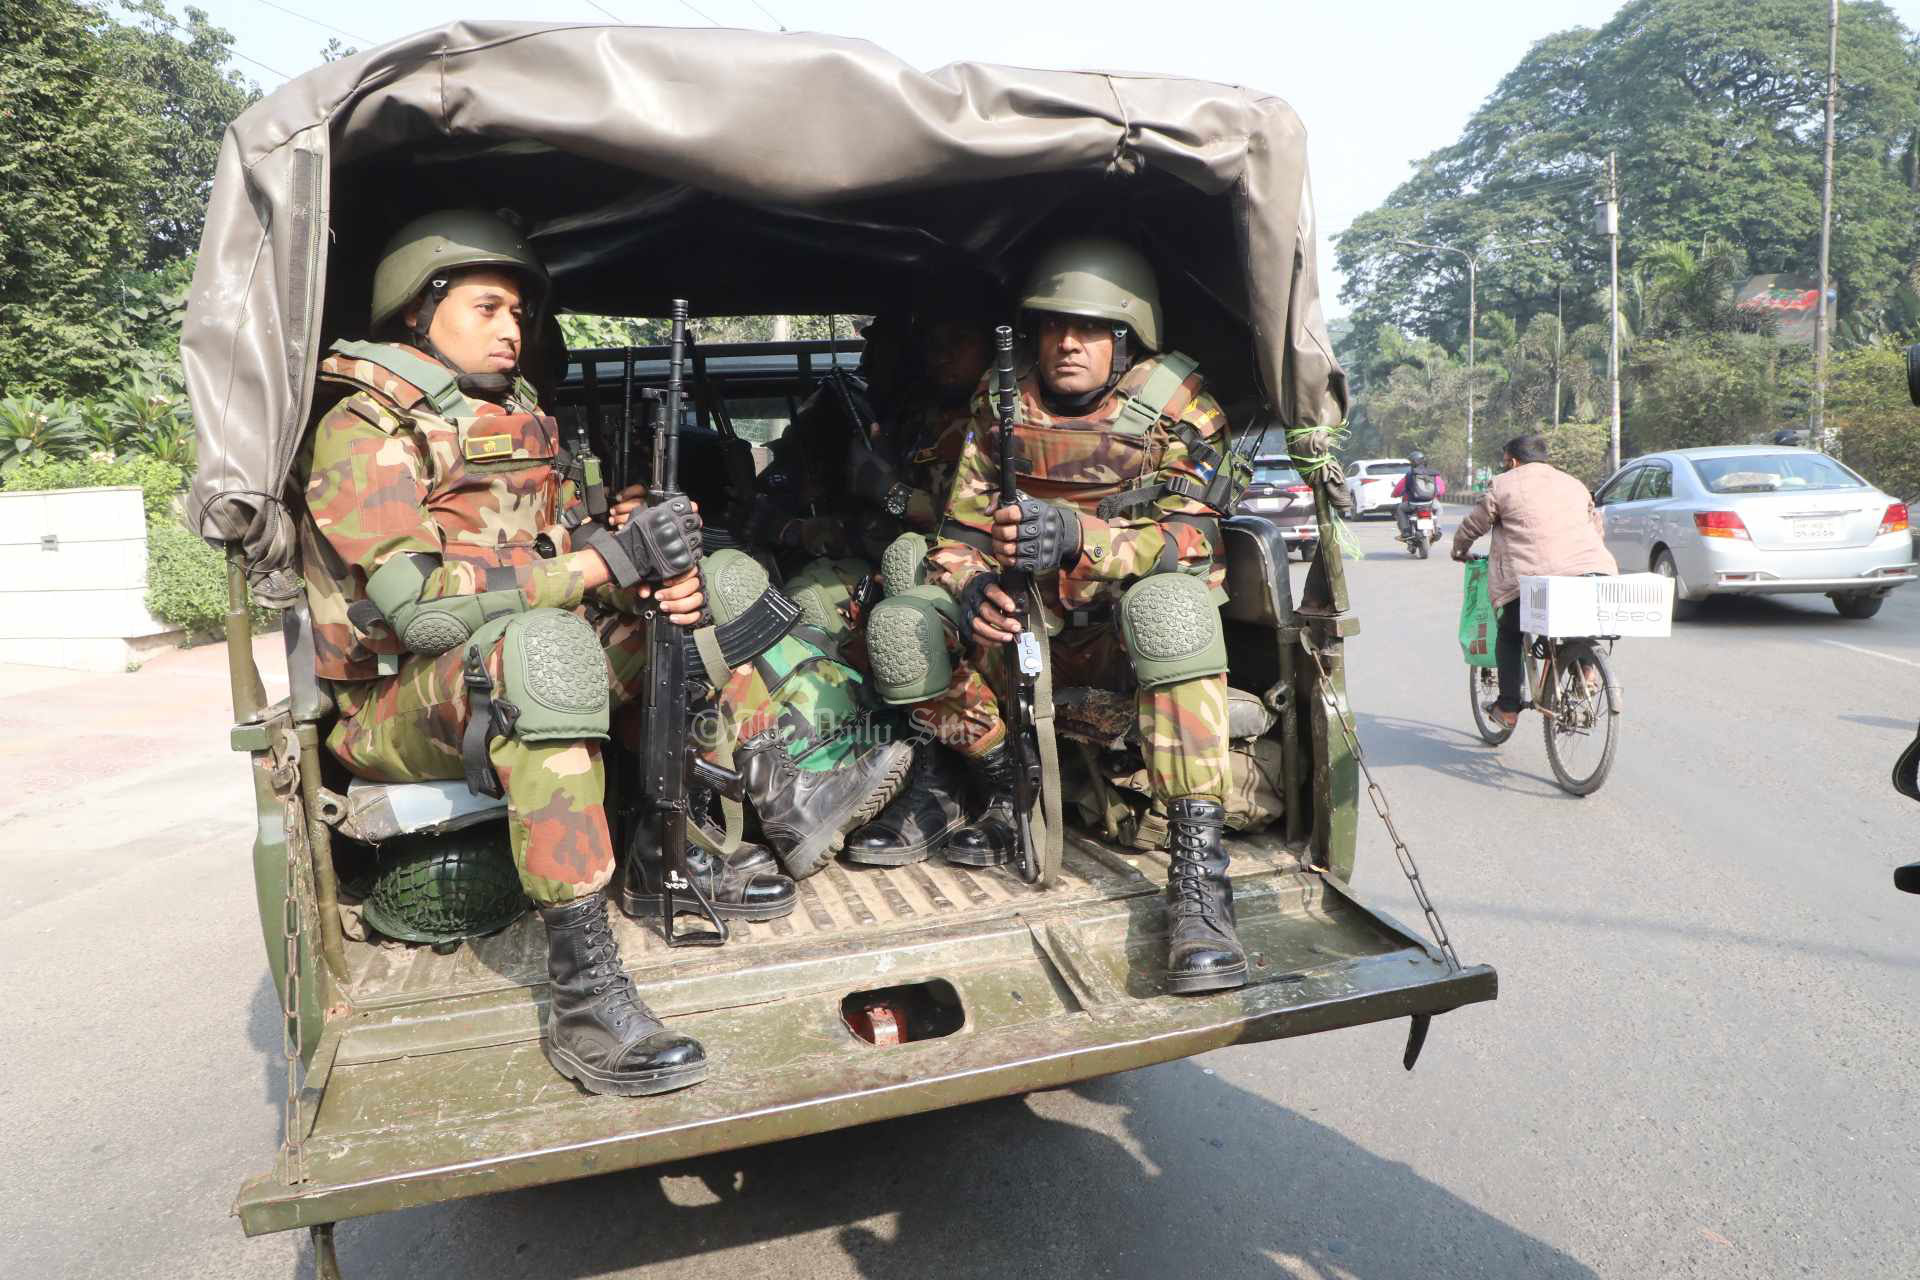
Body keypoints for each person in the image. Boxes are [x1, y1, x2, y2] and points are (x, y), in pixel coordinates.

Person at [297, 210, 901, 1097]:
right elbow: (422, 613)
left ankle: (702, 836)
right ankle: (584, 992)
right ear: (418, 313)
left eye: (519, 314)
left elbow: (561, 553)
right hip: (395, 709)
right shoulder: (365, 431)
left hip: (492, 669)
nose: (512, 330)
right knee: (548, 652)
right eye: (488, 308)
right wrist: (595, 561)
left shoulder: (519, 419)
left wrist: (644, 570)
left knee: (692, 606)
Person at [864, 236, 1250, 995]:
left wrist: (1080, 537)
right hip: (1022, 631)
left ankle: (1200, 886)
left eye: (1089, 329)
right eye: (1051, 326)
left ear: (1127, 337)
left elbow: (1198, 543)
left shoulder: (1180, 408)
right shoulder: (1001, 401)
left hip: (1122, 638)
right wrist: (972, 589)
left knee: (1175, 606)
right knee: (903, 618)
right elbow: (960, 535)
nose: (1066, 343)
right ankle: (1000, 781)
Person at [1450, 433, 1617, 728]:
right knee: (1577, 619)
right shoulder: (1574, 484)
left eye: (1505, 464)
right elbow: (1595, 527)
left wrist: (1459, 549)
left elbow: (1475, 523)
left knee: (1510, 633)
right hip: (1592, 570)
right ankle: (1586, 670)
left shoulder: (1503, 485)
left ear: (1513, 462)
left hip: (1533, 580)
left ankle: (1508, 707)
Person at [1392, 448, 1446, 541]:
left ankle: (1406, 531)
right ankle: (1437, 528)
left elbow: (1398, 490)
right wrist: (1435, 495)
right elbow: (1441, 490)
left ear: (1412, 463)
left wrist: (1394, 494)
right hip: (1430, 503)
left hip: (1413, 504)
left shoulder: (1409, 475)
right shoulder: (1433, 474)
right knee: (1439, 508)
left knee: (1400, 509)